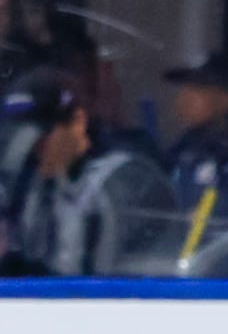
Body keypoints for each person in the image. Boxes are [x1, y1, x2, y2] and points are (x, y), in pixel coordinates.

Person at [3, 68, 177, 275]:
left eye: (42, 136)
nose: (32, 148)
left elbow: (89, 279)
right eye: (18, 136)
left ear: (77, 123)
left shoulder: (123, 178)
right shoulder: (33, 180)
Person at [161, 52, 228, 231]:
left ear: (224, 100)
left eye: (196, 90)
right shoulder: (177, 153)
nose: (184, 99)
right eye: (182, 90)